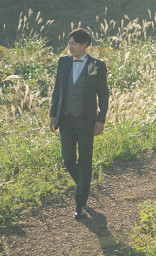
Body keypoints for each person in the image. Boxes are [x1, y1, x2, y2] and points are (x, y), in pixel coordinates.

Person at [49, 27, 109, 219]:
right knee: (67, 160)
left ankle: (79, 203)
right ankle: (84, 185)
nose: (70, 46)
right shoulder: (63, 62)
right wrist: (52, 115)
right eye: (69, 43)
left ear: (84, 44)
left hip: (86, 121)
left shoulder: (94, 65)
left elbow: (103, 94)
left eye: (74, 43)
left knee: (85, 161)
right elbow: (57, 89)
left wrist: (101, 120)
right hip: (65, 119)